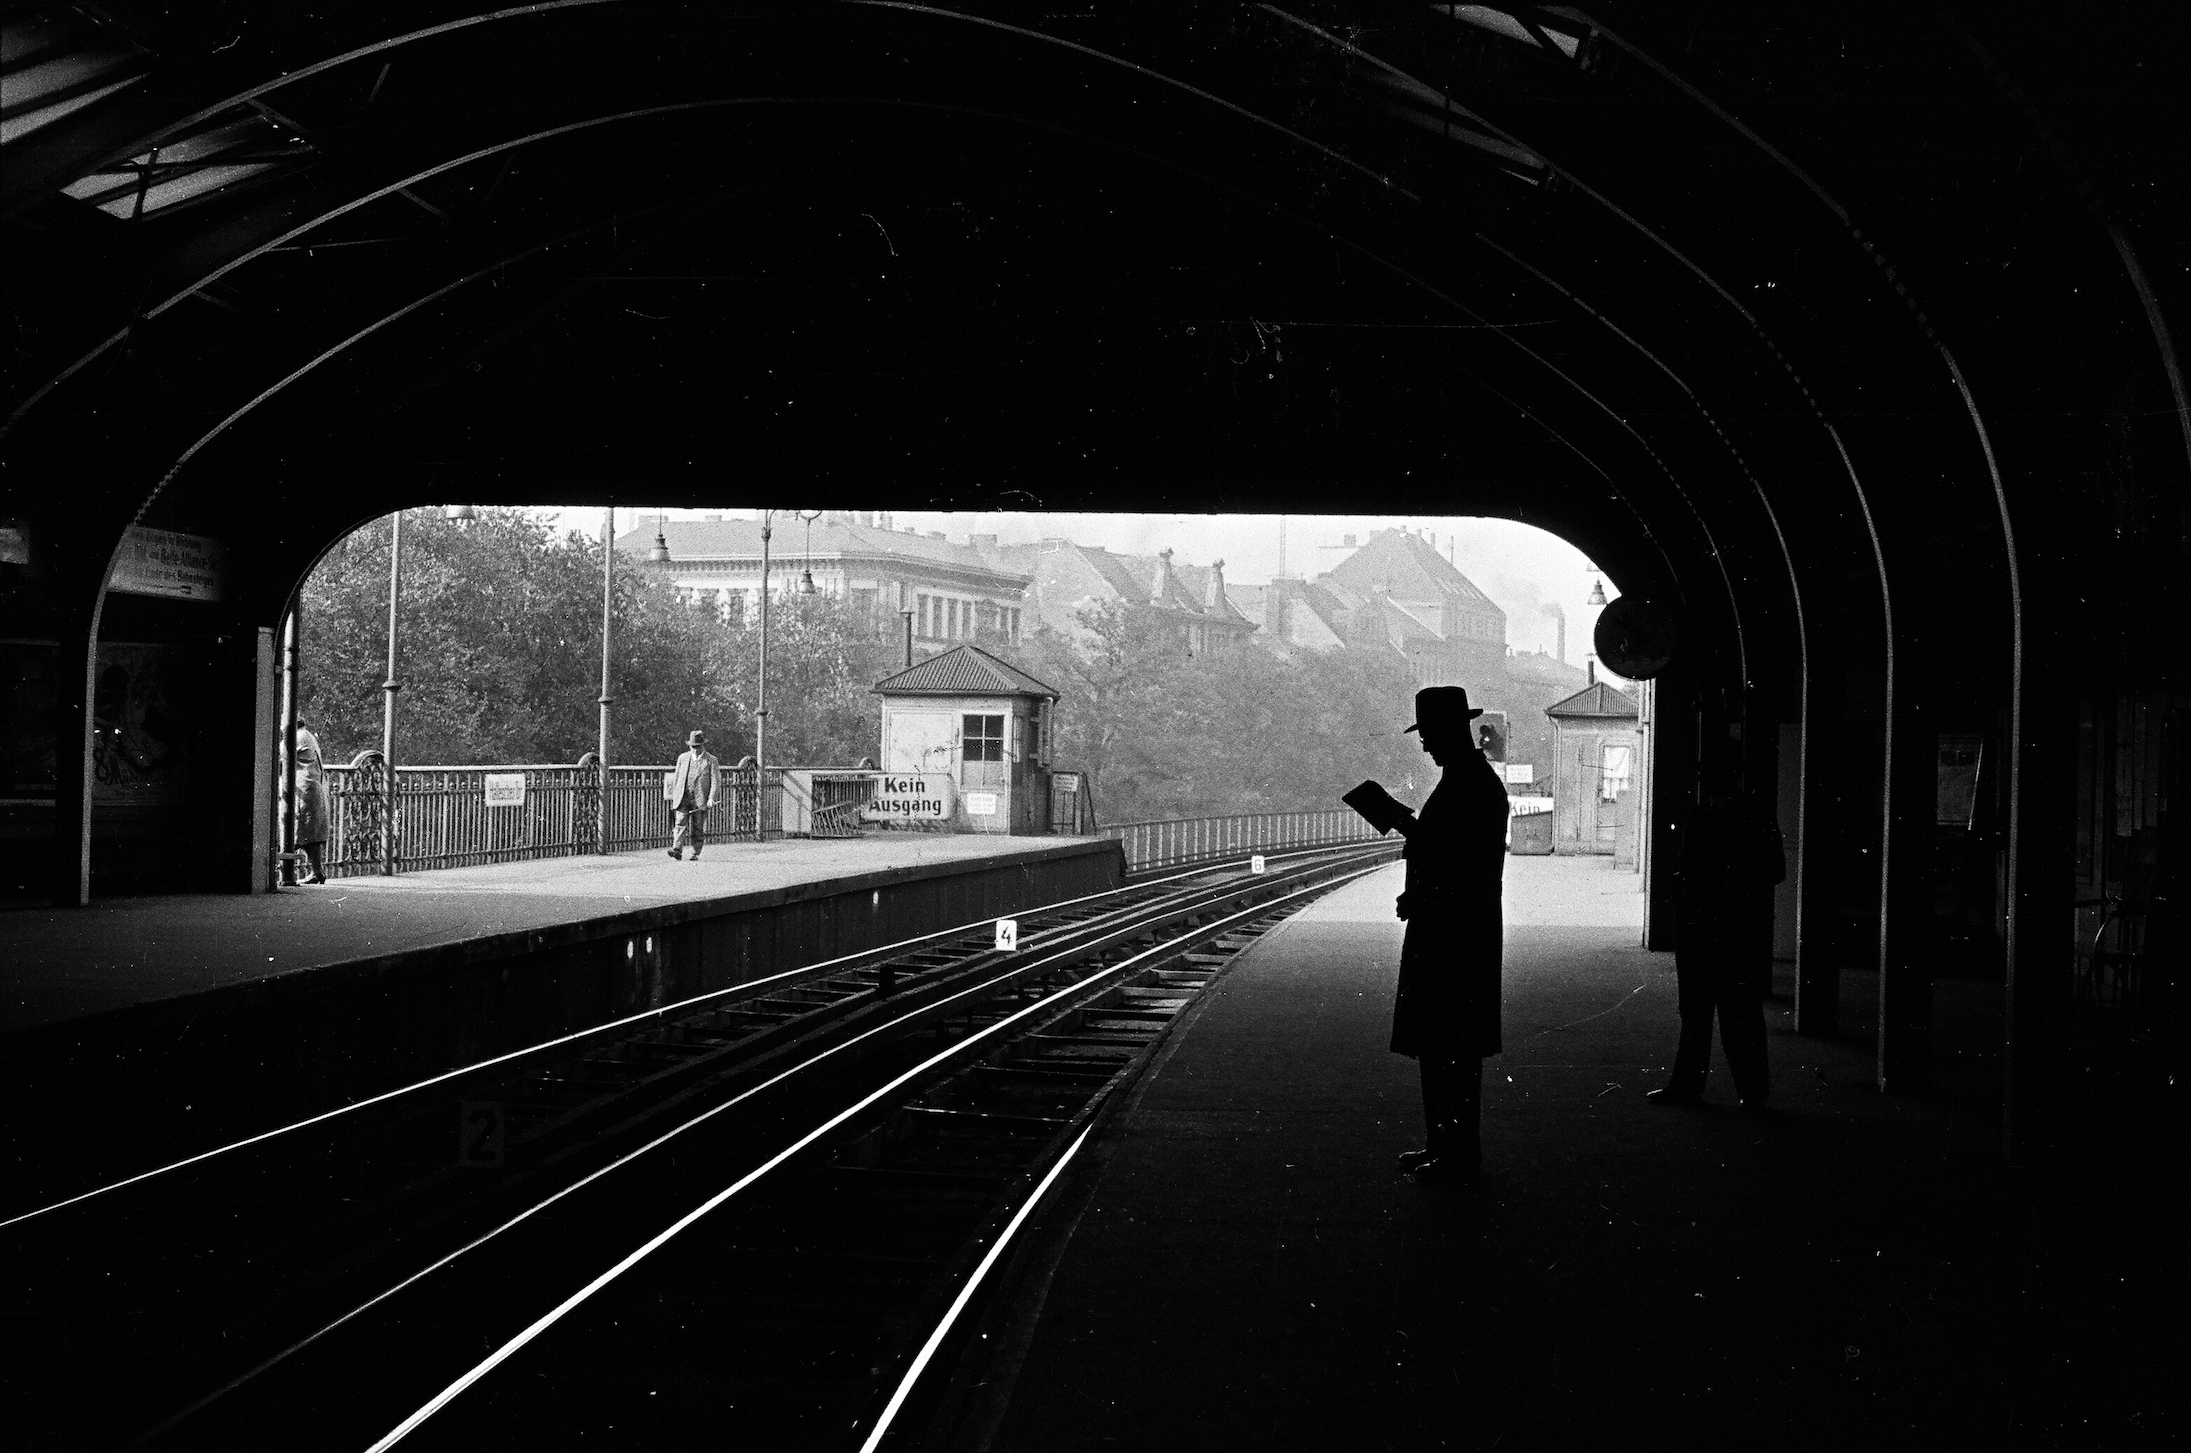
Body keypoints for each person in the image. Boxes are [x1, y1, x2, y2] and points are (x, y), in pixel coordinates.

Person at [1351, 685, 1511, 1182]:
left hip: (1454, 936)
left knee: (1451, 1049)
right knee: (1442, 1046)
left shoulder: (1469, 783)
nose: (1424, 745)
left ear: (1449, 730)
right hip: (1453, 929)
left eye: (1428, 734)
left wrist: (1402, 823)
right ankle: (1443, 1144)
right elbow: (1450, 851)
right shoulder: (1467, 778)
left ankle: (1456, 1153)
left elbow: (1458, 859)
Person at [1648, 736, 1787, 1109]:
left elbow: (1772, 869)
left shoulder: (1724, 815)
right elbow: (1774, 869)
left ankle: (1699, 1086)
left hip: (1714, 929)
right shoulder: (1743, 813)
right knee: (1728, 1013)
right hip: (1726, 931)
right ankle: (1749, 1091)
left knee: (1712, 1013)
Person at [664, 729, 721, 861]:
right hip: (683, 796)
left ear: (703, 746)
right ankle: (677, 849)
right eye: (692, 747)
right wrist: (673, 795)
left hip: (700, 798)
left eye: (697, 747)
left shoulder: (711, 760)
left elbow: (715, 781)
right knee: (680, 822)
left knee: (698, 826)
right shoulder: (683, 758)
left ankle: (695, 852)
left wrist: (712, 798)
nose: (695, 750)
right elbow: (677, 777)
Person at [286, 722, 331, 884]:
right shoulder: (308, 735)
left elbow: (279, 755)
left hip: (303, 788)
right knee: (311, 833)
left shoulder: (296, 736)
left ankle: (285, 873)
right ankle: (317, 871)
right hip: (313, 786)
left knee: (293, 831)